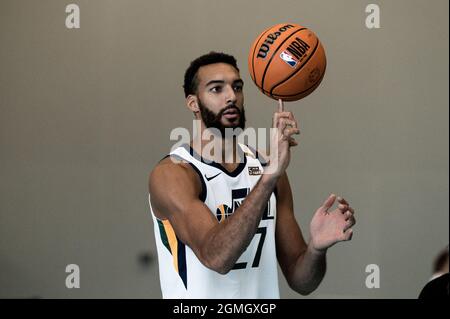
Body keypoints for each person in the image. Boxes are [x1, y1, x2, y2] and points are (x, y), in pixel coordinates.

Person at [148, 51, 356, 298]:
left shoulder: (268, 169)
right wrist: (268, 177)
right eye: (216, 89)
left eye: (237, 87)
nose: (231, 97)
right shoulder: (173, 174)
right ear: (193, 103)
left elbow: (302, 282)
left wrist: (316, 249)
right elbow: (216, 257)